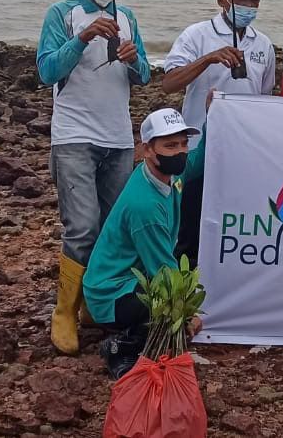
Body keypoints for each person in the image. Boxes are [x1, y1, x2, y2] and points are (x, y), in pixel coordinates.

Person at [36, 0, 152, 355]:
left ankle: (92, 301)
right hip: (74, 136)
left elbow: (144, 78)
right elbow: (47, 70)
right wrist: (83, 38)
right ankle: (64, 310)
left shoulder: (130, 17)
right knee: (82, 225)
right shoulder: (62, 14)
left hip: (118, 137)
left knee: (110, 229)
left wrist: (133, 59)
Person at [162, 0, 275, 263]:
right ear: (222, 0)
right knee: (190, 223)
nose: (249, 5)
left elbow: (264, 95)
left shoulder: (262, 44)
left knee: (234, 222)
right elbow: (169, 82)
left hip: (243, 149)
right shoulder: (197, 35)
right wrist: (208, 58)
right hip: (199, 146)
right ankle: (182, 291)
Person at [82, 109, 205, 378]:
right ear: (147, 150)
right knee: (163, 305)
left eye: (184, 143)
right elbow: (162, 270)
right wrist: (187, 314)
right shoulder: (145, 207)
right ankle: (121, 347)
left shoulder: (163, 176)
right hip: (110, 292)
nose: (180, 152)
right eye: (170, 146)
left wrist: (213, 115)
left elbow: (194, 162)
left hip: (124, 279)